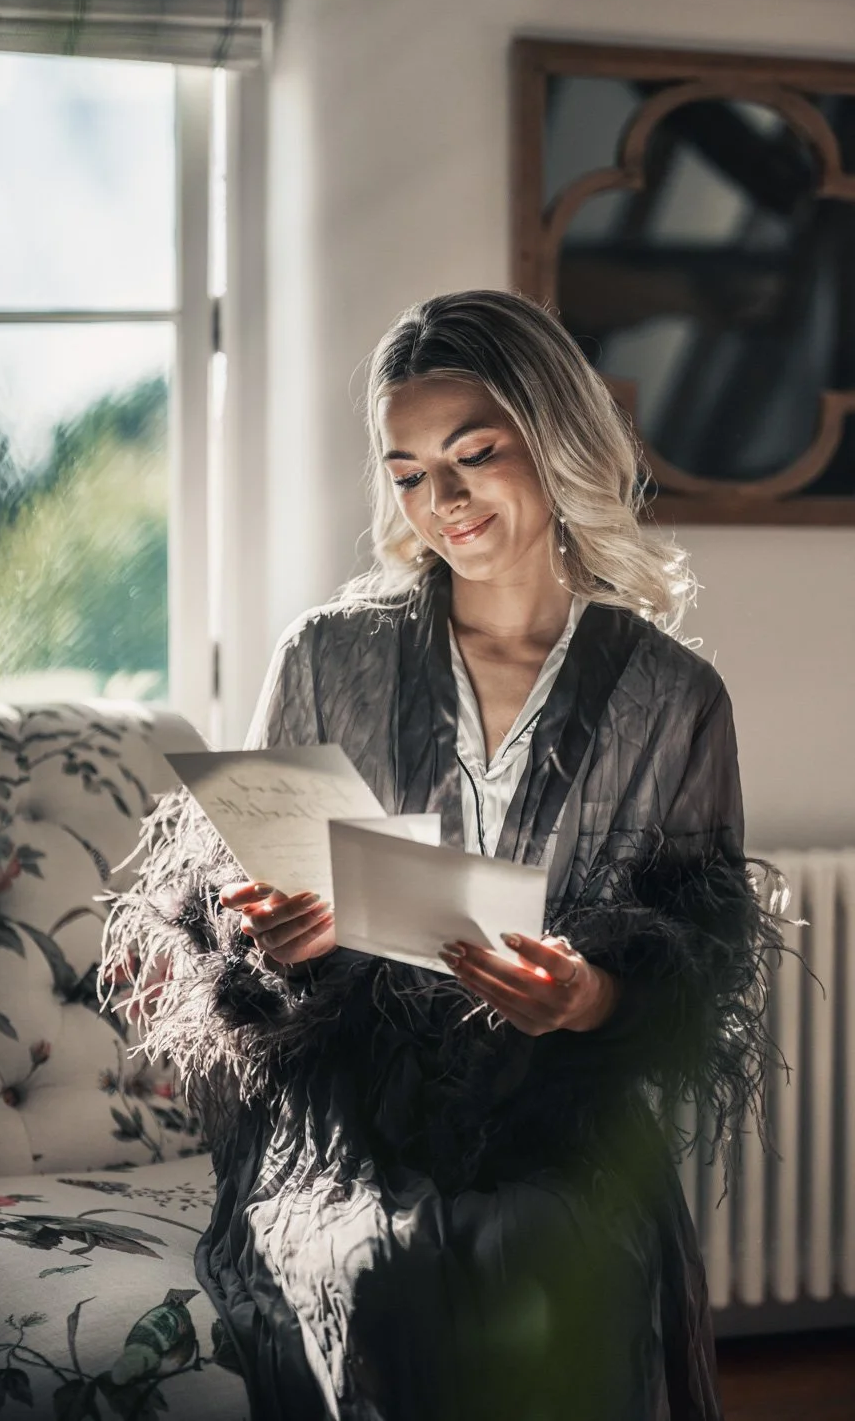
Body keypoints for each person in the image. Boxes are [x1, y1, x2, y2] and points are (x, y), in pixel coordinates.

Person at [104, 290, 781, 1421]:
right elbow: (223, 906)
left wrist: (585, 997)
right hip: (347, 1115)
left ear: (557, 441)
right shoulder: (326, 656)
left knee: (543, 1254)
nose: (443, 501)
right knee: (386, 1272)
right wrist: (279, 942)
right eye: (411, 471)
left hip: (562, 1116)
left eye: (476, 454)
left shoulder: (675, 698)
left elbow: (698, 965)